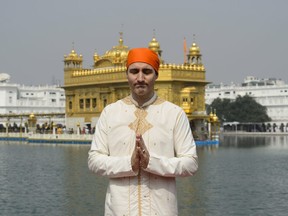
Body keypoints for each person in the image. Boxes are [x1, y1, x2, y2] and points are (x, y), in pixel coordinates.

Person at [88, 47, 198, 216]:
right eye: (134, 71)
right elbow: (94, 161)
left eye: (146, 71)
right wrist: (128, 164)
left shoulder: (174, 114)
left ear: (156, 75)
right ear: (127, 75)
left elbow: (190, 164)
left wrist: (152, 162)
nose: (140, 78)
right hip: (119, 211)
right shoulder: (110, 113)